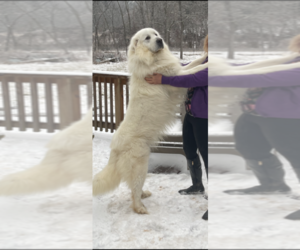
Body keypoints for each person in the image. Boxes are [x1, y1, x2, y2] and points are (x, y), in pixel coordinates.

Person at [209, 34, 300, 220]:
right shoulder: (291, 60)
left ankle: (274, 184)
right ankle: (273, 184)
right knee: (248, 145)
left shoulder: (296, 69)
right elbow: (247, 69)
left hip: (286, 117)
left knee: (296, 155)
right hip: (255, 114)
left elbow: (261, 77)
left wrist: (204, 79)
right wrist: (193, 69)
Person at [145, 35, 208, 221]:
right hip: (191, 114)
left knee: (207, 156)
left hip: (204, 117)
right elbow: (185, 68)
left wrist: (163, 79)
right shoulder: (203, 60)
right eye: (208, 44)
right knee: (189, 149)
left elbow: (193, 79)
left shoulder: (214, 66)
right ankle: (197, 185)